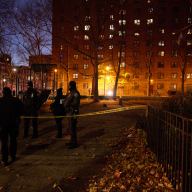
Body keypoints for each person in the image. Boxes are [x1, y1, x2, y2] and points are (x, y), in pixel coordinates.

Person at [0, 87, 23, 166]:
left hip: (3, 125)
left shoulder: (1, 101)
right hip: (13, 124)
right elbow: (22, 110)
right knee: (13, 140)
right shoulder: (16, 100)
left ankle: (4, 159)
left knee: (4, 142)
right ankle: (13, 155)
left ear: (3, 93)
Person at [64, 81, 80, 149]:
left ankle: (74, 143)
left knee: (73, 128)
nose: (69, 86)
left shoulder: (76, 93)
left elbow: (76, 103)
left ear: (72, 86)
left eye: (69, 85)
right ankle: (71, 141)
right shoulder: (71, 93)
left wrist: (68, 104)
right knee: (70, 128)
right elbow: (66, 100)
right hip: (69, 112)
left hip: (73, 112)